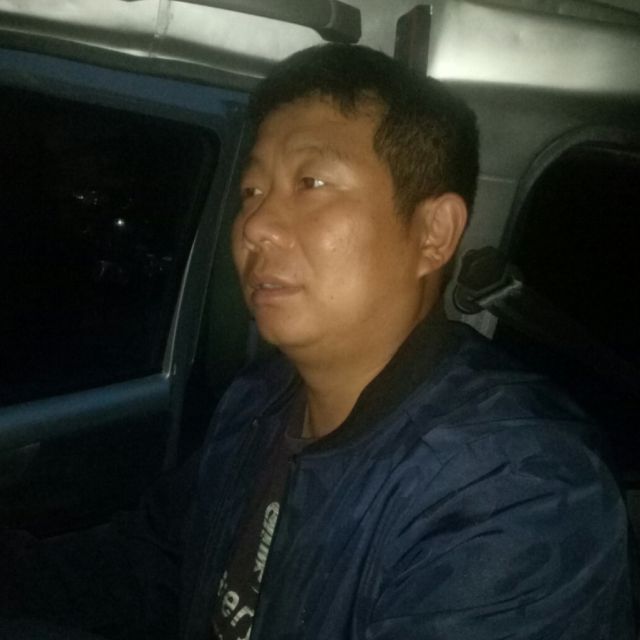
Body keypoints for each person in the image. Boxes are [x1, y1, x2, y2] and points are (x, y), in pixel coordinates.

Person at [0, 44, 634, 640]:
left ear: (434, 233)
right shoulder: (259, 402)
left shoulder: (517, 491)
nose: (255, 225)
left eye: (312, 183)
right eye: (252, 191)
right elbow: (152, 565)